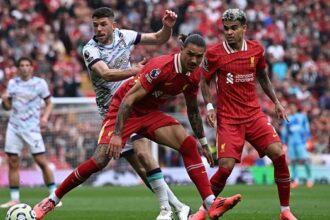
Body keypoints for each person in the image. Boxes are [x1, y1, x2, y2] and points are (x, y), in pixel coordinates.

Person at [34, 33, 241, 220]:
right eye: (191, 55)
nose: (195, 60)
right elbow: (127, 100)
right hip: (125, 109)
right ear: (182, 50)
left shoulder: (194, 74)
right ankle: (51, 200)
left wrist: (204, 142)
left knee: (188, 145)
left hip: (150, 113)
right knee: (100, 160)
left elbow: (193, 110)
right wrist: (117, 135)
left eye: (199, 56)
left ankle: (210, 203)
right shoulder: (159, 67)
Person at [33, 7, 190, 220]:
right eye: (95, 25)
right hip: (111, 111)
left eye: (103, 24)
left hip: (132, 104)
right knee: (108, 162)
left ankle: (52, 200)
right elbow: (106, 74)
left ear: (113, 25)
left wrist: (166, 27)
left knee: (144, 154)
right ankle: (179, 207)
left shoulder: (124, 36)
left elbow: (158, 38)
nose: (98, 28)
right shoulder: (90, 49)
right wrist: (136, 70)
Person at [190, 9, 297, 220]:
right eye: (226, 29)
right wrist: (210, 107)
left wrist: (276, 102)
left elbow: (263, 77)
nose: (229, 32)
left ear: (243, 28)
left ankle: (285, 211)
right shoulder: (214, 53)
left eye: (234, 28)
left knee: (279, 154)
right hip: (229, 119)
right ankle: (203, 211)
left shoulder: (256, 50)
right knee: (226, 167)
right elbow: (204, 81)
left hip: (254, 116)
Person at [0, 57, 61, 208]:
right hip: (14, 127)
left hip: (32, 128)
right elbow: (7, 107)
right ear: (18, 68)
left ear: (32, 68)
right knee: (13, 162)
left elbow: (49, 102)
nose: (25, 68)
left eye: (27, 65)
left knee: (41, 161)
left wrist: (45, 118)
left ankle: (54, 196)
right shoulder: (13, 83)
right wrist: (5, 100)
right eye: (22, 65)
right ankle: (15, 199)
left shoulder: (40, 83)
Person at [281, 102, 313, 188]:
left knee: (305, 160)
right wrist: (284, 142)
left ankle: (309, 179)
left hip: (301, 143)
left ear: (296, 108)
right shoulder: (287, 118)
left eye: (293, 107)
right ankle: (296, 180)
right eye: (290, 107)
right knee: (294, 162)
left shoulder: (302, 117)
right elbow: (285, 132)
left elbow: (306, 128)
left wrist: (307, 139)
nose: (292, 109)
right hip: (291, 143)